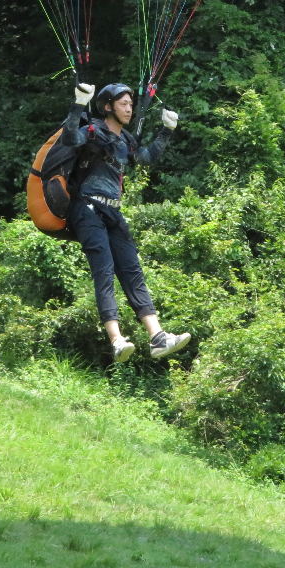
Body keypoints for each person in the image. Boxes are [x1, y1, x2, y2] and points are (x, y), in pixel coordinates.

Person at [61, 81, 190, 363]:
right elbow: (69, 138)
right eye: (123, 103)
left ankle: (158, 338)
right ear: (108, 107)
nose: (129, 108)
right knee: (104, 272)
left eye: (131, 103)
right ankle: (117, 340)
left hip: (113, 213)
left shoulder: (125, 141)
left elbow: (145, 157)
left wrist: (166, 131)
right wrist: (79, 103)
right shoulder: (93, 131)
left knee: (132, 271)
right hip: (87, 209)